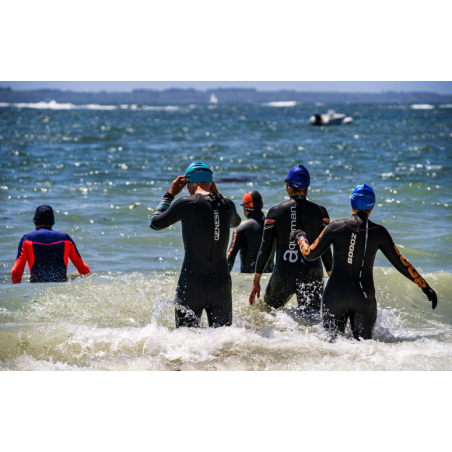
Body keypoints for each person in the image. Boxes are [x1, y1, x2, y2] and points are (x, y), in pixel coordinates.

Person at [291, 184, 438, 340]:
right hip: (364, 298)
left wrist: (301, 237)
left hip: (335, 296)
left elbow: (309, 254)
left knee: (332, 346)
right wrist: (425, 287)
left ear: (352, 204)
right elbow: (401, 263)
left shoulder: (335, 227)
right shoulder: (380, 232)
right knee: (364, 349)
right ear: (371, 207)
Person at [150, 161, 241, 328]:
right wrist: (218, 195)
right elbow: (236, 223)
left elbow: (155, 223)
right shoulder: (227, 205)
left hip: (192, 284)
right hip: (221, 285)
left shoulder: (186, 203)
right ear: (211, 182)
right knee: (223, 343)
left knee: (186, 341)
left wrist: (170, 194)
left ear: (188, 183)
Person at [249, 165, 333, 313]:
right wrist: (331, 279)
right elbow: (325, 250)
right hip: (312, 273)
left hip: (283, 273)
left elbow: (265, 249)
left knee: (268, 314)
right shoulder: (321, 212)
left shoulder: (275, 212)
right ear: (307, 187)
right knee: (311, 319)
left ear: (288, 185)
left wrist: (256, 281)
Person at [11, 205, 91, 284]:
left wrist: (15, 287)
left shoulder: (27, 239)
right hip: (61, 287)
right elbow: (84, 270)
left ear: (35, 221)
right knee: (74, 275)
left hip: (36, 289)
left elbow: (16, 272)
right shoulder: (65, 239)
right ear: (52, 222)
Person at [227, 190, 275, 273]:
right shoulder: (273, 225)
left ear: (245, 207)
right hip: (269, 278)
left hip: (249, 280)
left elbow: (229, 258)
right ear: (261, 205)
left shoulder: (241, 228)